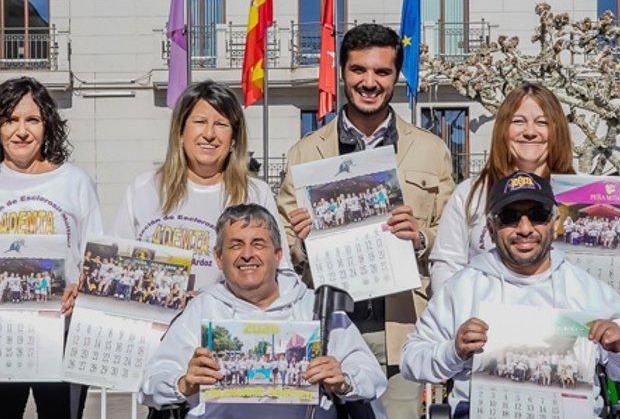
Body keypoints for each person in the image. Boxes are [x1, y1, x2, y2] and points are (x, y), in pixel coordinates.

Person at [276, 23, 457, 419]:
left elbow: (451, 236)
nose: (369, 82)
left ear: (396, 76)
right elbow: (285, 241)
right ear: (342, 73)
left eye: (382, 72)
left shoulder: (431, 150)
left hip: (399, 326)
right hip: (328, 326)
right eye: (359, 70)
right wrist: (301, 243)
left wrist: (420, 238)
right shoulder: (305, 153)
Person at [400, 172, 620, 418]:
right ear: (491, 228)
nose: (524, 228)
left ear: (554, 223)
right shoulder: (463, 288)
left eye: (537, 215)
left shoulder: (587, 289)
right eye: (510, 217)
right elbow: (412, 360)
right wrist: (453, 352)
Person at [0, 77, 105, 419]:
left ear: (47, 127)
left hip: (61, 335)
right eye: (10, 120)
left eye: (32, 120)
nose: (21, 131)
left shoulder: (76, 183)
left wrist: (81, 288)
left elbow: (94, 260)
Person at [140, 204, 388, 417]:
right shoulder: (202, 309)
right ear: (218, 257)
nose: (247, 254)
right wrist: (184, 383)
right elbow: (149, 385)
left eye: (258, 244)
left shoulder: (316, 308)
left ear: (278, 254)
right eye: (235, 245)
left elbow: (373, 377)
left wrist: (343, 380)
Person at [431, 83, 620, 289]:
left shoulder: (586, 193)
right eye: (518, 122)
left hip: (569, 327)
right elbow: (446, 266)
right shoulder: (472, 192)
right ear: (503, 129)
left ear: (557, 131)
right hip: (489, 328)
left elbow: (618, 273)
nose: (530, 132)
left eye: (542, 123)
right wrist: (461, 317)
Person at [115, 80, 289, 295]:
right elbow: (116, 264)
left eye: (221, 124)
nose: (209, 134)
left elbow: (282, 272)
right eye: (199, 121)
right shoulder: (143, 188)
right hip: (156, 325)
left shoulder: (255, 193)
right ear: (180, 132)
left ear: (234, 138)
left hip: (222, 325)